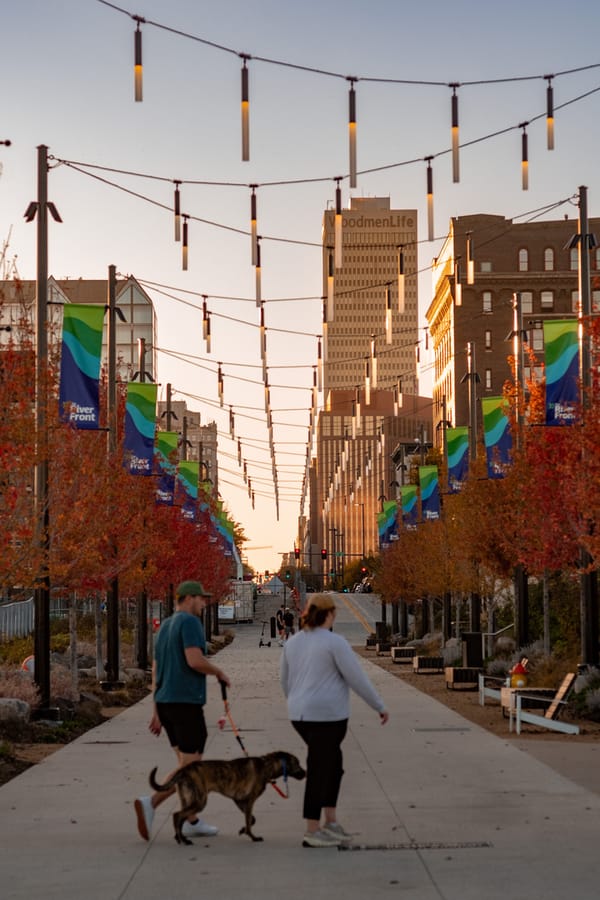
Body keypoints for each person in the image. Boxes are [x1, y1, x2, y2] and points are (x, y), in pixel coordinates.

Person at [280, 593, 389, 848]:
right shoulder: (334, 642)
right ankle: (312, 828)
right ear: (329, 614)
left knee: (333, 765)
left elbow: (284, 681)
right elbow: (356, 677)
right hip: (327, 716)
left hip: (301, 715)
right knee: (319, 768)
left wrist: (296, 702)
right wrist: (379, 705)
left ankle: (330, 821)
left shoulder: (293, 643)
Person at [134, 580, 231, 842]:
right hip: (184, 703)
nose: (204, 603)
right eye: (201, 598)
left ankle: (191, 820)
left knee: (185, 764)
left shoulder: (165, 626)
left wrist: (156, 710)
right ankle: (151, 803)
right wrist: (218, 672)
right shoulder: (189, 623)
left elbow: (156, 670)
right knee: (190, 768)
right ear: (188, 598)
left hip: (166, 703)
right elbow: (194, 660)